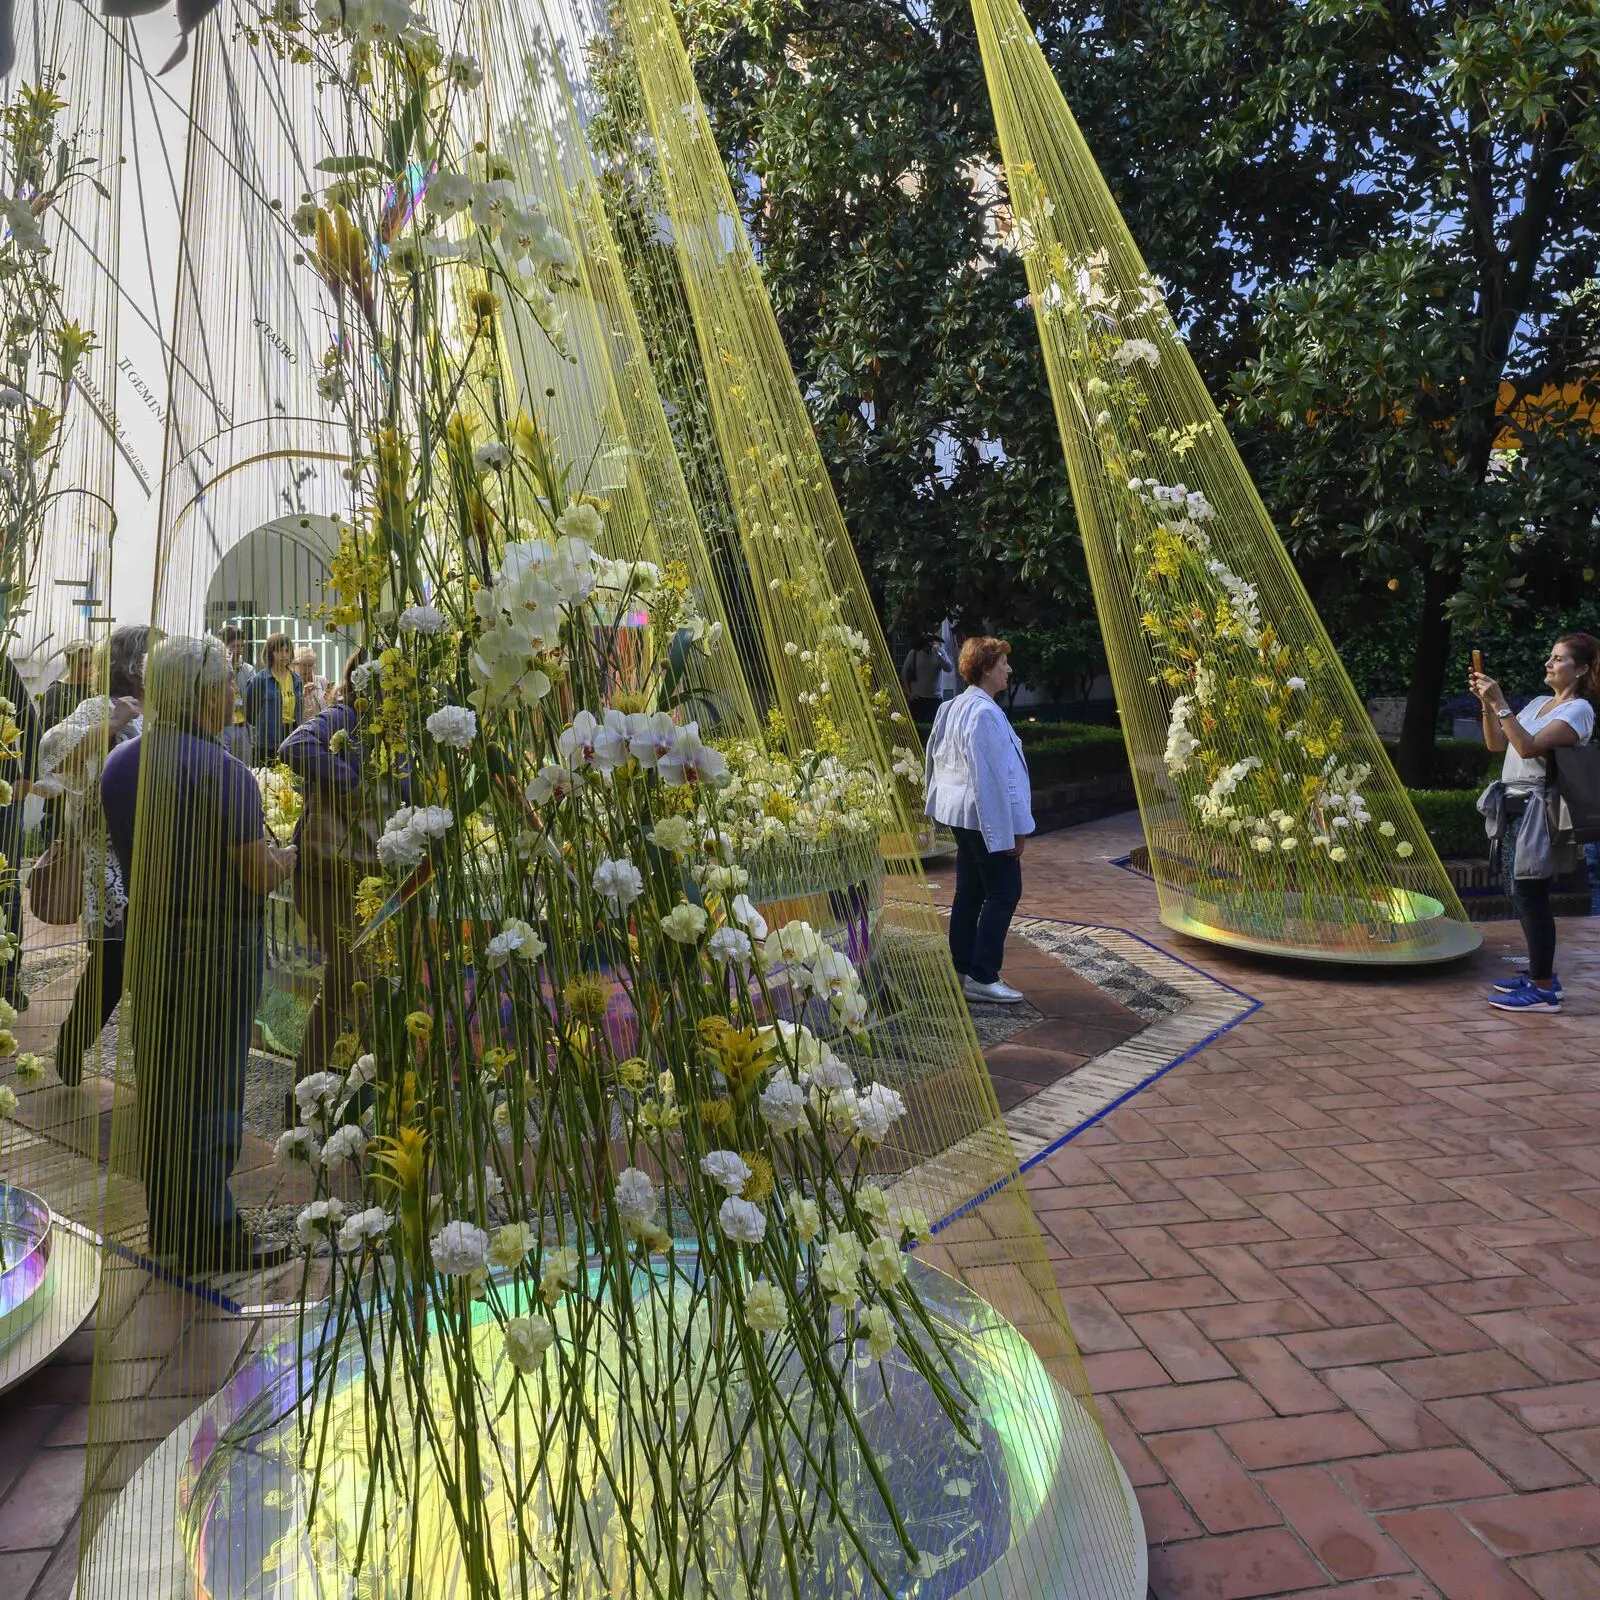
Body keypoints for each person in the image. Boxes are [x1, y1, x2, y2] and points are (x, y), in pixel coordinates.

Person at [102, 636, 296, 1271]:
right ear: (202, 693)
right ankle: (212, 1229)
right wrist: (288, 857)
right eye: (226, 685)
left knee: (162, 1085)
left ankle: (169, 1221)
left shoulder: (121, 766)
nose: (234, 696)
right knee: (212, 1087)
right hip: (215, 950)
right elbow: (255, 873)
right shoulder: (226, 773)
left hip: (150, 945)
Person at [35, 626, 153, 1084]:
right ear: (129, 665)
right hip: (108, 859)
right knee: (115, 961)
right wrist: (112, 726)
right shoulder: (98, 707)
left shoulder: (163, 711)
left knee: (144, 965)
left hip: (151, 855)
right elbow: (53, 755)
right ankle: (74, 1039)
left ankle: (152, 1069)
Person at [1471, 632, 1600, 1015]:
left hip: (1538, 811)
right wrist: (1486, 705)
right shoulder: (1541, 702)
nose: (1549, 663)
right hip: (1514, 806)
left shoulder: (1579, 711)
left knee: (1530, 893)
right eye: (1551, 655)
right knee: (1518, 889)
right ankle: (1541, 975)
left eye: (1559, 659)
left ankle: (1543, 988)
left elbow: (1528, 747)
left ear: (1581, 669)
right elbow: (1499, 743)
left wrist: (1500, 702)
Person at [280, 651, 377, 1079]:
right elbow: (294, 746)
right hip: (328, 873)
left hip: (373, 877)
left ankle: (304, 1098)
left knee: (344, 984)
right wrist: (352, 784)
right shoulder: (345, 716)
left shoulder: (394, 732)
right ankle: (390, 1091)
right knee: (360, 979)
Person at [924, 635, 1034, 1004]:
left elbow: (934, 761)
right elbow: (992, 780)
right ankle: (983, 975)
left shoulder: (952, 706)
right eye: (1003, 663)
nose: (1009, 669)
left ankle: (961, 966)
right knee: (1005, 892)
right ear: (987, 668)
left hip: (959, 814)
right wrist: (1012, 832)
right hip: (982, 816)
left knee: (969, 890)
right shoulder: (984, 712)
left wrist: (933, 804)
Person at [0, 652, 39, 1012]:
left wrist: (28, 774)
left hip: (3, 791)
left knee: (8, 883)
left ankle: (9, 977)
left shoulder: (1, 659)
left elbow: (29, 716)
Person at [243, 632, 303, 759]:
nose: (284, 655)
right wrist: (264, 725)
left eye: (287, 651)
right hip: (267, 741)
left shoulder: (297, 680)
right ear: (270, 653)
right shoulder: (260, 679)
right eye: (279, 651)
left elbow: (299, 711)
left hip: (293, 735)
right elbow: (249, 712)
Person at [40, 640, 96, 730]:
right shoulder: (56, 690)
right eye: (85, 665)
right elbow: (47, 725)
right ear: (71, 664)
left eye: (94, 663)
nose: (91, 668)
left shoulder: (97, 688)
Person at [900, 639, 953, 723]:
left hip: (935, 698)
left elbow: (949, 668)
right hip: (918, 699)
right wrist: (909, 693)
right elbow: (904, 674)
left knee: (934, 727)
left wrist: (937, 654)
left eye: (930, 642)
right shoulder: (914, 652)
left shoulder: (940, 652)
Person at [293, 646, 329, 721]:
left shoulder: (322, 681)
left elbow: (329, 708)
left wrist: (331, 700)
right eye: (303, 665)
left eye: (310, 665)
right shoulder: (290, 684)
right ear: (294, 665)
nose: (307, 669)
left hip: (321, 726)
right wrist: (303, 695)